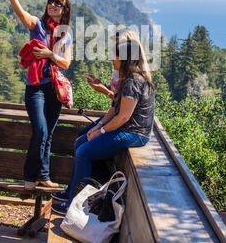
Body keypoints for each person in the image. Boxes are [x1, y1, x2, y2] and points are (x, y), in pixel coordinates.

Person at [51, 39, 155, 215]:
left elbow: (123, 117)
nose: (111, 59)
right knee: (79, 143)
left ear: (125, 59)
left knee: (84, 152)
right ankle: (71, 192)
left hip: (134, 133)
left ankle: (74, 205)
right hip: (125, 129)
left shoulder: (133, 82)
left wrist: (101, 131)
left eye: (114, 55)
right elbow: (114, 110)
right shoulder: (127, 80)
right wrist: (97, 126)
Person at [6, 0, 72, 190]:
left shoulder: (65, 35)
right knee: (41, 131)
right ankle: (29, 176)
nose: (52, 5)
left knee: (49, 134)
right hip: (35, 88)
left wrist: (50, 55)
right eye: (51, 1)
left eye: (58, 3)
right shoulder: (37, 25)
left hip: (53, 88)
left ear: (64, 10)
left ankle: (44, 175)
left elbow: (66, 63)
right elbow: (21, 13)